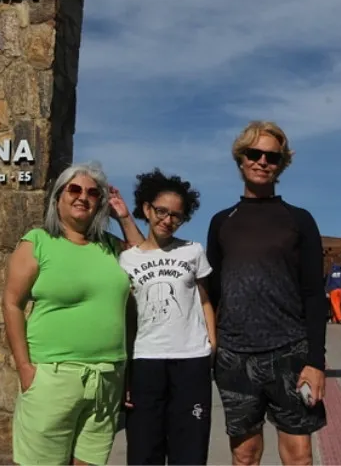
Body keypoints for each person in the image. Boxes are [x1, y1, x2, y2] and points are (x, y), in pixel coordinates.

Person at [3, 162, 145, 465]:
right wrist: (25, 369)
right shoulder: (38, 242)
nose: (84, 196)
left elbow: (147, 262)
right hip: (52, 377)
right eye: (75, 189)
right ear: (58, 197)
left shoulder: (111, 247)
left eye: (93, 193)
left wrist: (123, 216)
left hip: (107, 379)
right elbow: (12, 303)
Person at [206, 121, 328, 465]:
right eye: (254, 153)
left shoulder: (299, 220)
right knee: (245, 455)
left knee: (299, 456)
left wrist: (315, 362)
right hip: (234, 356)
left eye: (271, 157)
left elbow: (314, 295)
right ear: (240, 159)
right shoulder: (221, 222)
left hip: (290, 352)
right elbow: (212, 293)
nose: (262, 161)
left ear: (281, 164)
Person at [119, 169, 216, 465]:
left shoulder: (193, 251)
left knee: (190, 450)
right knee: (144, 449)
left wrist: (212, 343)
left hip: (191, 360)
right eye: (161, 211)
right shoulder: (127, 259)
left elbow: (204, 299)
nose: (168, 220)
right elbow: (127, 315)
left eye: (177, 215)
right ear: (147, 209)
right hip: (145, 361)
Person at [324, 255, 341, 324]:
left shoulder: (331, 273)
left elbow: (328, 282)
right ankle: (335, 319)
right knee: (337, 304)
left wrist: (326, 290)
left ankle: (340, 318)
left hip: (333, 290)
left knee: (335, 304)